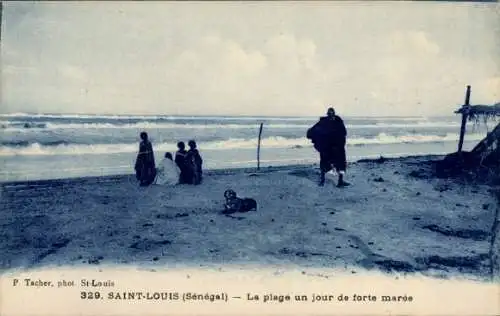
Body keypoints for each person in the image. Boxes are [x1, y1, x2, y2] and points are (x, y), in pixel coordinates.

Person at [307, 107, 350, 187]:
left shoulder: (338, 121)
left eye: (332, 114)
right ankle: (323, 180)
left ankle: (340, 181)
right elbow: (313, 130)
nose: (331, 116)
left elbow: (344, 132)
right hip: (327, 147)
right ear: (328, 115)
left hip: (337, 147)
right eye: (330, 115)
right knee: (324, 163)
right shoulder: (324, 122)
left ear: (334, 114)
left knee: (340, 164)